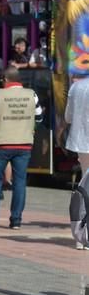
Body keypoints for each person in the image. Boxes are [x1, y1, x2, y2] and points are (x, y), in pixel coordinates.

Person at [0, 66, 43, 229]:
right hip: (24, 144)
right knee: (20, 182)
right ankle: (16, 220)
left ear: (5, 79)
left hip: (1, 143)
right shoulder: (32, 95)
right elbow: (39, 118)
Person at [64, 74, 89, 248]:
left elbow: (68, 117)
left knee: (85, 185)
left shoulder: (77, 87)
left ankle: (82, 235)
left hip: (81, 141)